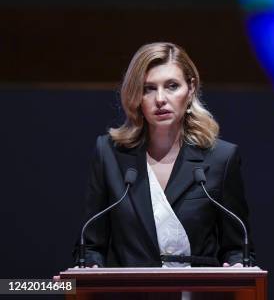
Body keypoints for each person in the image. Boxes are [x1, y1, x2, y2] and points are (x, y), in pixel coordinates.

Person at [74, 42, 255, 267]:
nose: (160, 99)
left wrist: (237, 264)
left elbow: (238, 247)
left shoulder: (221, 158)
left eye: (171, 86)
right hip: (129, 290)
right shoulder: (109, 154)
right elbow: (90, 245)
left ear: (190, 89)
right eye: (149, 88)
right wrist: (91, 267)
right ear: (136, 95)